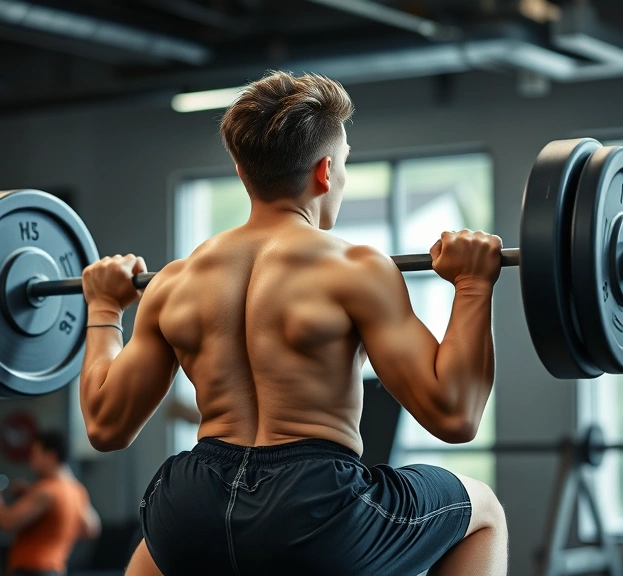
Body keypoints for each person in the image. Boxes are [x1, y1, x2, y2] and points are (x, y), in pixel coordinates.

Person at [79, 71, 508, 576]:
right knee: (483, 511)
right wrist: (473, 285)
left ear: (242, 171)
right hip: (312, 511)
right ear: (325, 171)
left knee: (158, 545)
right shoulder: (355, 268)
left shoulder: (174, 281)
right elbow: (454, 415)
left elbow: (105, 426)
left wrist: (104, 308)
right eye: (345, 162)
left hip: (192, 499)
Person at [0, 431, 101, 576]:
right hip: (55, 570)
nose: (31, 461)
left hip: (33, 570)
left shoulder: (46, 491)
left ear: (50, 456)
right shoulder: (76, 490)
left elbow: (7, 522)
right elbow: (91, 529)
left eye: (35, 454)